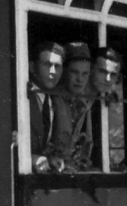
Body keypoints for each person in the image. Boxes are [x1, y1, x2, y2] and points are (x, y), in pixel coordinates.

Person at [49, 42, 96, 172]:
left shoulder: (85, 104)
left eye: (85, 73)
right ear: (64, 71)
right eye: (74, 72)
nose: (80, 79)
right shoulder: (53, 99)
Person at [26, 41, 64, 172]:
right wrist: (29, 159)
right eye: (47, 65)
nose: (53, 72)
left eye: (57, 66)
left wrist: (52, 159)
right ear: (32, 67)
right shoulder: (22, 96)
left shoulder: (58, 101)